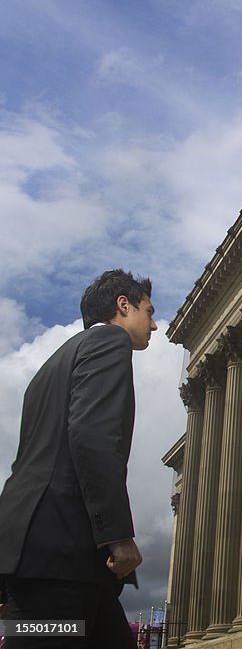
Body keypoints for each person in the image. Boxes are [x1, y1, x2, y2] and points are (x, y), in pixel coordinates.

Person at [0, 269, 157, 649]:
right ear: (124, 305)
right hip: (62, 556)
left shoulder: (52, 365)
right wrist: (117, 535)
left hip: (45, 553)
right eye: (149, 312)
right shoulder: (109, 341)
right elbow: (92, 438)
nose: (153, 325)